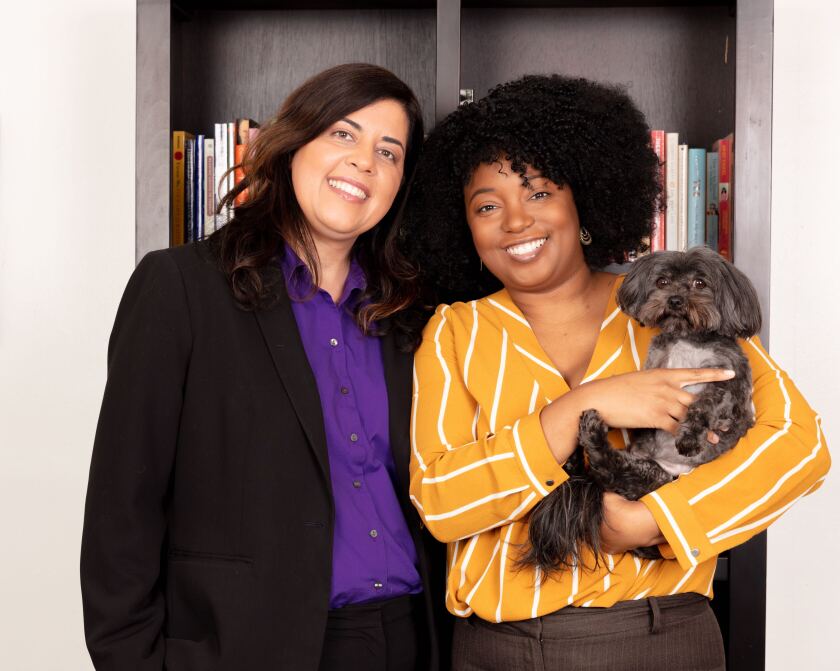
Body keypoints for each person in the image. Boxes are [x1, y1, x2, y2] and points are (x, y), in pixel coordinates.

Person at [402, 74, 829, 669]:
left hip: (658, 637)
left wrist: (652, 519)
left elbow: (799, 447)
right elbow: (442, 503)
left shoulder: (669, 304)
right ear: (465, 230)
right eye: (487, 205)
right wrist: (578, 409)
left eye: (540, 193)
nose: (516, 221)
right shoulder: (455, 333)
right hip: (498, 649)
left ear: (585, 204)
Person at [81, 63, 448, 671]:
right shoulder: (181, 287)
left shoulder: (413, 314)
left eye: (390, 151)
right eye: (342, 134)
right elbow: (123, 505)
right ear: (291, 145)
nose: (364, 161)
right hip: (244, 646)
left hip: (407, 636)